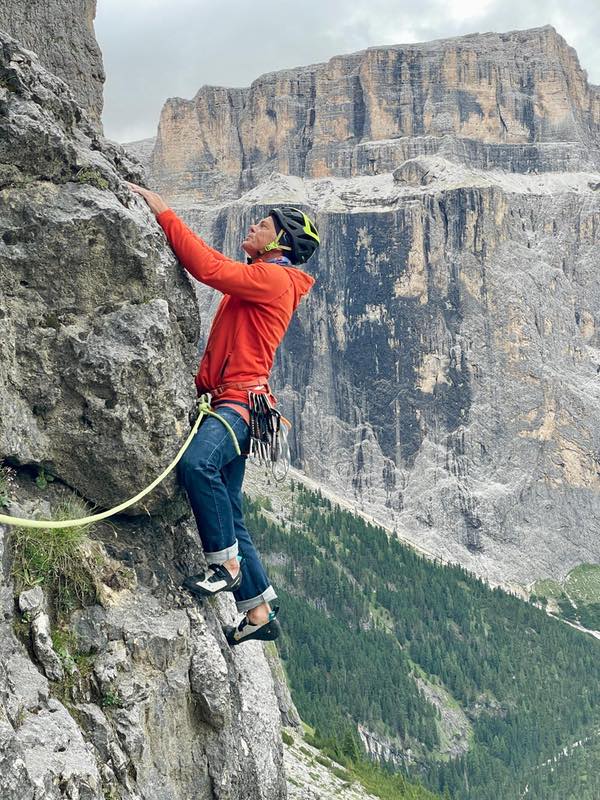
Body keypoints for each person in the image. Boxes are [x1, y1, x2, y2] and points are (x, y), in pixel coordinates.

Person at [125, 181, 319, 645]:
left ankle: (225, 565)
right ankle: (257, 612)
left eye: (264, 224)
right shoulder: (270, 282)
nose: (253, 225)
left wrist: (164, 213)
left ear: (279, 243)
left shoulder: (273, 279)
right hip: (239, 401)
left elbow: (208, 268)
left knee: (198, 465)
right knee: (231, 512)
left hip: (238, 404)